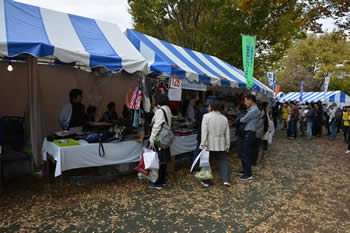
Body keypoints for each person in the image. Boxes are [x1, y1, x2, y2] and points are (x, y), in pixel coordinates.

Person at [200, 101, 231, 187]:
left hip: (209, 142)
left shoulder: (206, 116)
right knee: (223, 160)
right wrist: (228, 144)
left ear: (211, 107)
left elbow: (204, 131)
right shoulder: (224, 118)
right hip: (221, 143)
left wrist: (203, 143)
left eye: (209, 106)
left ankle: (205, 181)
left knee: (206, 161)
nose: (208, 107)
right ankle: (226, 180)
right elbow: (227, 133)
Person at [148, 93, 172, 190]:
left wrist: (151, 139)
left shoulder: (160, 111)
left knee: (158, 159)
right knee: (163, 160)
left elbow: (157, 126)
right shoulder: (167, 109)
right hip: (165, 138)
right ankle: (162, 180)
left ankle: (157, 182)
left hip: (158, 139)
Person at [237, 94, 260, 181]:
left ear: (250, 100)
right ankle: (244, 170)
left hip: (250, 133)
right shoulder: (251, 109)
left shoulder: (254, 110)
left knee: (246, 153)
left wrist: (242, 117)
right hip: (247, 133)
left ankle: (248, 174)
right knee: (243, 152)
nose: (245, 103)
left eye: (246, 101)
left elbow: (243, 120)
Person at [192, 101, 209, 171]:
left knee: (198, 150)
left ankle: (195, 164)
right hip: (203, 134)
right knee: (200, 150)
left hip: (200, 133)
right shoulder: (205, 112)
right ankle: (196, 165)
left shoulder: (201, 111)